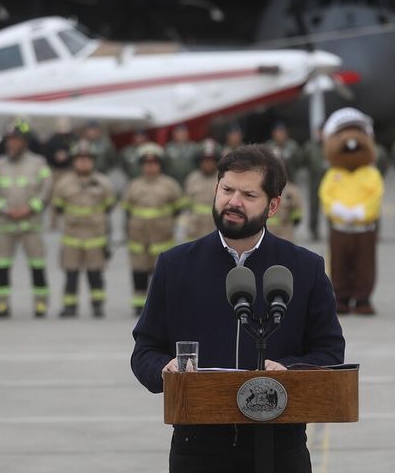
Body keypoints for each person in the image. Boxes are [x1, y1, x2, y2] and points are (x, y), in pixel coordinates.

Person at [131, 144, 345, 472]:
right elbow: (144, 350)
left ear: (273, 205)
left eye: (248, 194)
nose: (233, 202)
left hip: (279, 443)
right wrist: (165, 368)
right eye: (227, 189)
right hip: (197, 445)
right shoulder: (175, 266)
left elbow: (329, 354)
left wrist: (290, 370)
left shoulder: (305, 268)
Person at [319, 108, 385, 315]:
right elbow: (325, 195)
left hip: (364, 228)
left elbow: (376, 197)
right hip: (340, 228)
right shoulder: (333, 173)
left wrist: (361, 212)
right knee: (339, 263)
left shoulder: (371, 173)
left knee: (365, 264)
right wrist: (336, 209)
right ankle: (341, 297)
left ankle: (363, 298)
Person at [0, 119, 54, 318]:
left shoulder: (38, 164)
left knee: (37, 266)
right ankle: (1, 305)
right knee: (2, 267)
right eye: (9, 140)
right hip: (5, 227)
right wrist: (5, 210)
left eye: (16, 139)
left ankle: (41, 304)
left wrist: (30, 209)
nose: (11, 143)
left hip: (31, 226)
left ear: (25, 141)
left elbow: (46, 190)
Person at [52, 140, 117, 318]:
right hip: (72, 239)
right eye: (80, 159)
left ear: (93, 161)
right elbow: (58, 207)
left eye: (87, 159)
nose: (83, 162)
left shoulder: (104, 183)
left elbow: (109, 206)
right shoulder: (64, 183)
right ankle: (69, 307)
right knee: (71, 274)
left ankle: (97, 305)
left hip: (95, 238)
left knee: (95, 274)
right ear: (73, 161)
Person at [122, 143, 184, 315]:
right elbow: (127, 211)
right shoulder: (133, 186)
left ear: (159, 165)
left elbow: (178, 208)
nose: (150, 167)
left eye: (154, 163)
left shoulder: (170, 185)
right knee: (139, 274)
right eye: (146, 164)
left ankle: (163, 306)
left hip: (162, 240)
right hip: (138, 241)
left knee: (163, 276)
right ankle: (139, 306)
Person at [184, 139, 221, 241]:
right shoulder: (192, 178)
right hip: (195, 231)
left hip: (217, 230)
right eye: (204, 160)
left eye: (211, 160)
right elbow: (186, 205)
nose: (207, 164)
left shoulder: (223, 178)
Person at [266, 148, 305, 242]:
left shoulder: (291, 190)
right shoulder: (262, 188)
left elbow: (298, 211)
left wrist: (294, 219)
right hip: (266, 232)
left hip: (286, 232)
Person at [302, 128, 328, 242]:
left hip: (330, 182)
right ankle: (314, 231)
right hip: (315, 181)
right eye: (320, 132)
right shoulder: (310, 147)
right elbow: (303, 160)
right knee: (314, 207)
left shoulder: (332, 145)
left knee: (330, 206)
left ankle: (333, 230)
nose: (322, 134)